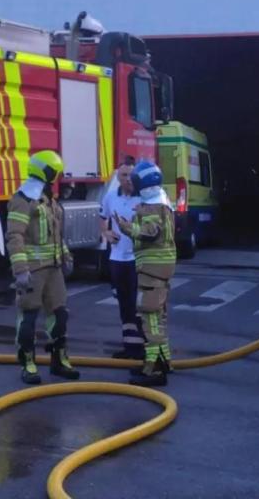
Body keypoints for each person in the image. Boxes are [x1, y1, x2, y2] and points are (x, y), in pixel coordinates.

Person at [5, 150, 80, 385]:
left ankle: (60, 360)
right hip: (33, 271)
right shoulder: (23, 199)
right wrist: (21, 271)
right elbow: (15, 236)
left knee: (59, 314)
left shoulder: (48, 199)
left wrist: (66, 256)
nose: (57, 176)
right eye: (54, 172)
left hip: (54, 269)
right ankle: (28, 363)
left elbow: (56, 234)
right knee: (28, 316)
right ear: (46, 172)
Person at [116, 160, 176, 387]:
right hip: (161, 269)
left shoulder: (152, 207)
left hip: (151, 270)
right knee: (159, 316)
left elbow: (150, 233)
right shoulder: (163, 203)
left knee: (149, 317)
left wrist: (126, 228)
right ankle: (164, 360)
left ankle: (152, 369)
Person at [100, 162, 144, 359]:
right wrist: (107, 233)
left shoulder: (144, 198)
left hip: (137, 259)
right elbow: (103, 219)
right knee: (124, 305)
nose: (128, 179)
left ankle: (145, 348)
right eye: (124, 175)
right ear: (118, 177)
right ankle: (130, 347)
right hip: (117, 259)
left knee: (140, 306)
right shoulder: (111, 197)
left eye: (131, 175)